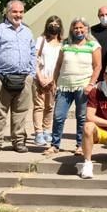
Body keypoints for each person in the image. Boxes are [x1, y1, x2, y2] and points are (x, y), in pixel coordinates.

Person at [0, 0, 35, 155]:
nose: (18, 15)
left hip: (24, 78)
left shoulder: (27, 32)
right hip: (2, 78)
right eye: (15, 12)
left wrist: (31, 75)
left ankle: (18, 141)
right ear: (7, 12)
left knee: (21, 113)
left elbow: (32, 54)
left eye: (21, 12)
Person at [49, 18, 101, 155]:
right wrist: (54, 81)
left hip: (83, 86)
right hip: (64, 86)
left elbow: (97, 67)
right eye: (75, 28)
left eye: (81, 28)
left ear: (86, 29)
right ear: (72, 29)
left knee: (82, 117)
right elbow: (58, 65)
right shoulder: (65, 44)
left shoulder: (93, 45)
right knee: (58, 116)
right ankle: (54, 145)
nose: (78, 30)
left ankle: (80, 145)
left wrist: (91, 84)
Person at [32, 16, 63, 148]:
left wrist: (52, 80)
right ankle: (38, 133)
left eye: (56, 24)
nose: (54, 25)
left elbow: (61, 63)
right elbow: (34, 59)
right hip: (40, 78)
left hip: (53, 80)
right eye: (51, 23)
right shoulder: (41, 40)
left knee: (50, 107)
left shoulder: (63, 43)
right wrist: (40, 77)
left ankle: (46, 130)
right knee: (39, 106)